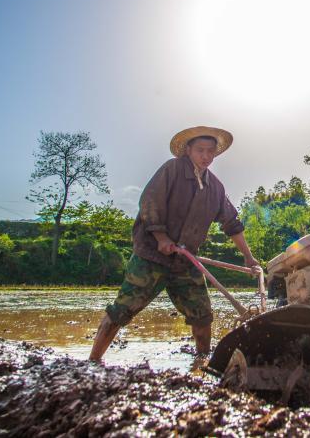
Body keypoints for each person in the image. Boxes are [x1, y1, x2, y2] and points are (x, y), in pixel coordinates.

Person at [89, 126, 260, 361]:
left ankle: (202, 362)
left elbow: (232, 222)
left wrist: (248, 257)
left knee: (202, 316)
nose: (206, 156)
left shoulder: (216, 188)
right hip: (151, 257)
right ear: (188, 150)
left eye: (210, 151)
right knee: (122, 310)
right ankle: (93, 360)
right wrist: (161, 238)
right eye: (200, 150)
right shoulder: (172, 170)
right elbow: (149, 202)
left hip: (185, 261)